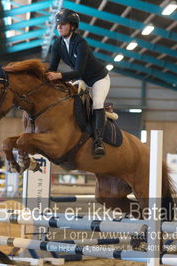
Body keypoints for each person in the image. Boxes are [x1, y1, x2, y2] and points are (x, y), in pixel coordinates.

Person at [47, 8, 110, 159]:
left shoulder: (81, 43)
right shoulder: (58, 43)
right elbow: (52, 68)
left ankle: (98, 142)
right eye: (58, 25)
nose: (59, 27)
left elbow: (78, 71)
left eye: (62, 24)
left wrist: (58, 76)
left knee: (97, 104)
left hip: (98, 79)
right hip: (81, 79)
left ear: (72, 26)